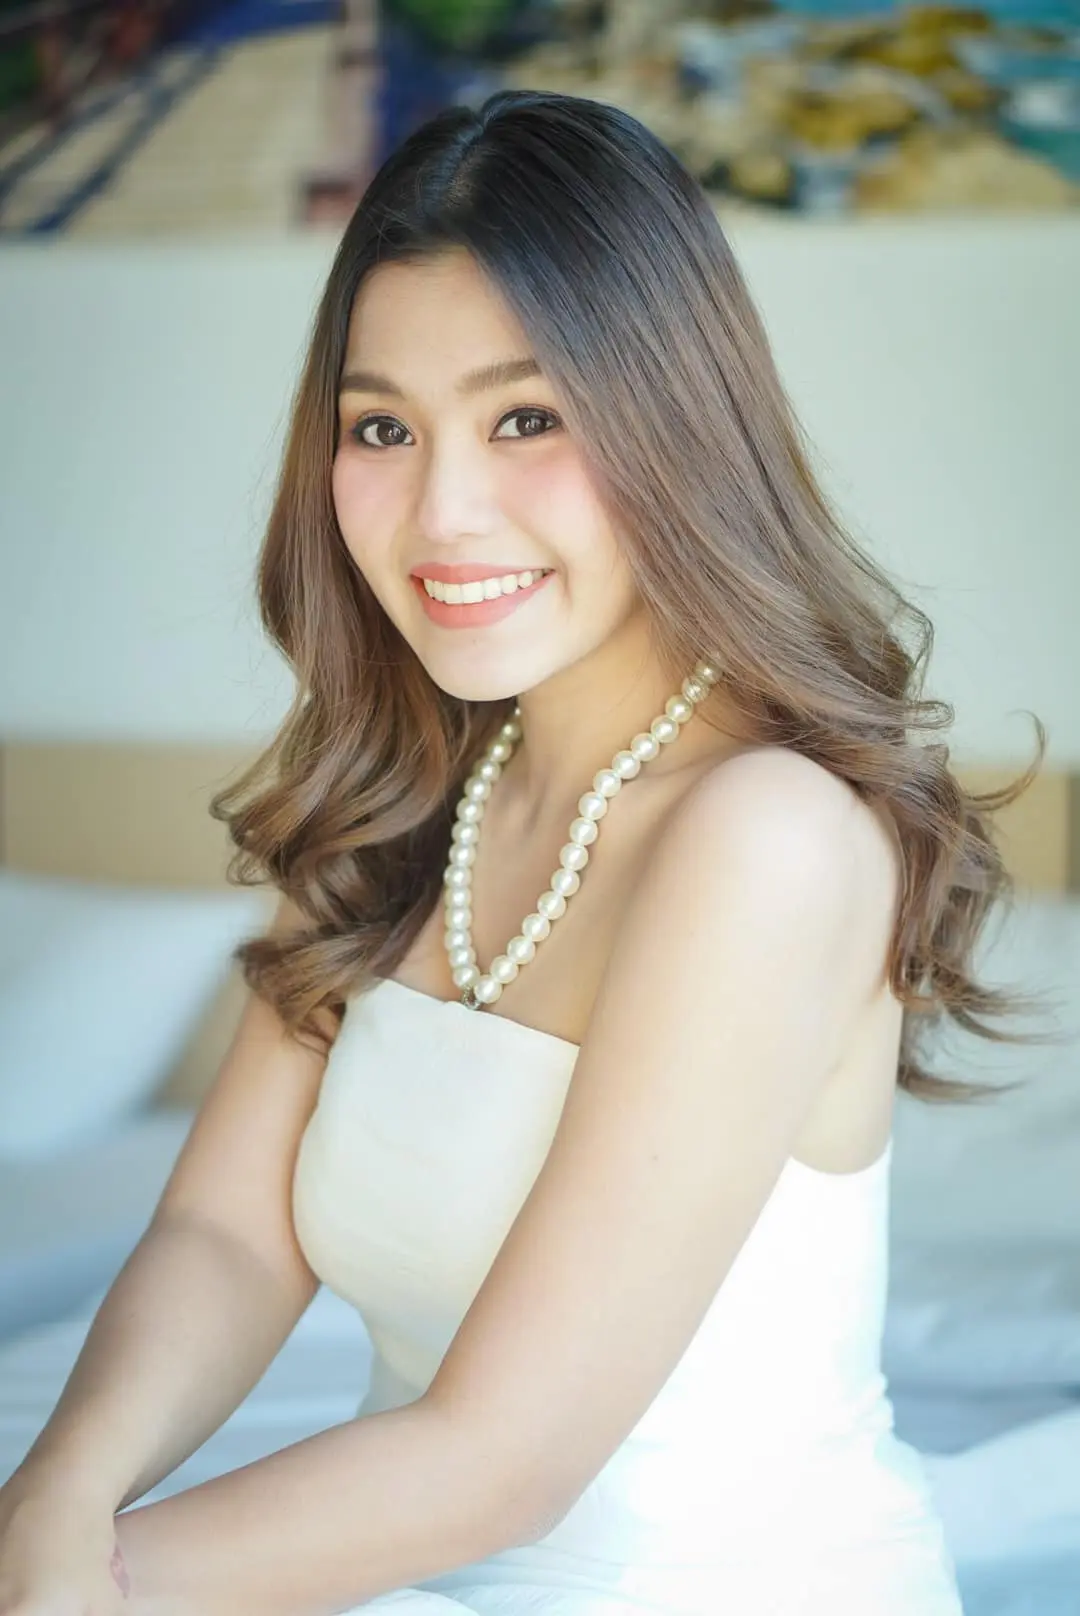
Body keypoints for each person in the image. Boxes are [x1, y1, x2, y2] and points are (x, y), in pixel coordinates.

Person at [0, 88, 1044, 1615]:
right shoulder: (407, 800)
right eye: (382, 428)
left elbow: (507, 1463)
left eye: (526, 420)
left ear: (676, 426)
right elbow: (225, 1234)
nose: (444, 512)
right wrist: (56, 1497)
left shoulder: (769, 839)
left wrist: (80, 1588)